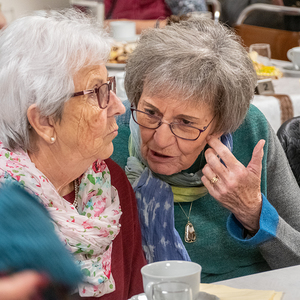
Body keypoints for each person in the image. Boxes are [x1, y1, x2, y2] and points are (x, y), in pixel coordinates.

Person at [111, 18, 300, 283]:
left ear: (221, 125)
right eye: (151, 112)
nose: (161, 139)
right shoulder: (110, 137)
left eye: (185, 123)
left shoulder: (250, 132)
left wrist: (253, 212)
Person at [0, 9, 146, 299]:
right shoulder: (8, 213)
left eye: (110, 87)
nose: (118, 107)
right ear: (44, 121)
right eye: (96, 92)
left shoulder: (110, 184)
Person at [104, 0, 207, 33]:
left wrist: (128, 26)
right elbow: (96, 13)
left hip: (164, 44)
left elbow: (195, 22)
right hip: (117, 47)